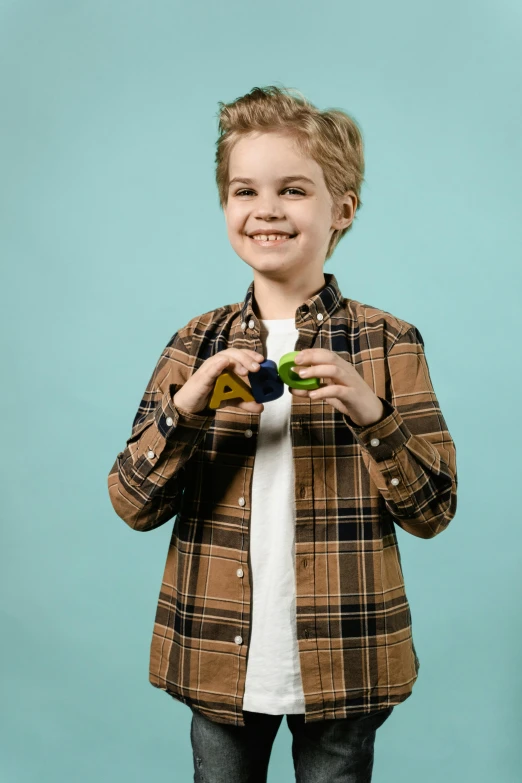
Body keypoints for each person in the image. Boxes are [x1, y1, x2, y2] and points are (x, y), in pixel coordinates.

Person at [107, 85, 458, 783]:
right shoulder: (194, 343)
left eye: (293, 190)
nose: (266, 208)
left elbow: (433, 509)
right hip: (216, 648)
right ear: (226, 207)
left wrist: (372, 415)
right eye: (245, 190)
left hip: (347, 650)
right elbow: (131, 501)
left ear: (343, 209)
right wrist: (190, 403)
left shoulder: (389, 343)